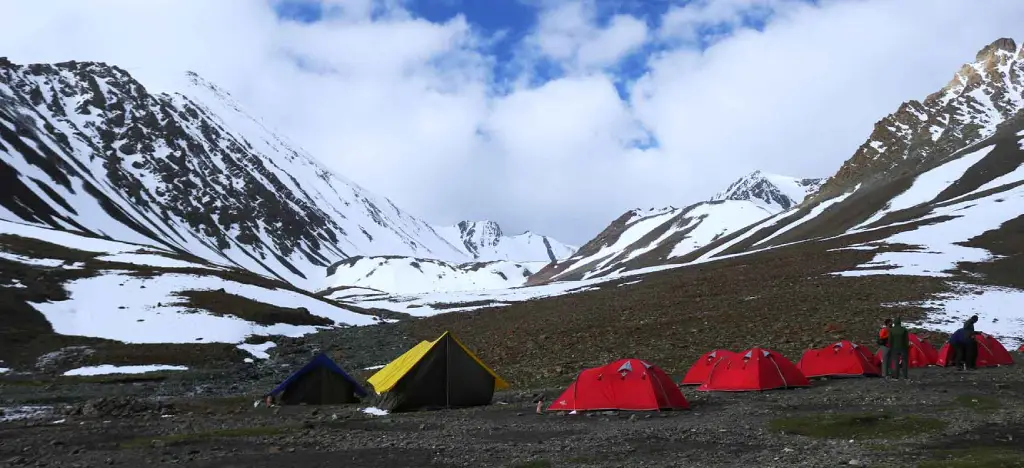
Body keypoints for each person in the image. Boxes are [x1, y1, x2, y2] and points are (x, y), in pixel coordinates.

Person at [885, 317, 911, 382]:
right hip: (903, 348)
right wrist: (907, 347)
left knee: (896, 362)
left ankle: (896, 377)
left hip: (894, 348)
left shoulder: (892, 330)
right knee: (904, 362)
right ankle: (905, 377)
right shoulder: (904, 330)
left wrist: (890, 347)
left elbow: (890, 340)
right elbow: (906, 340)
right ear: (900, 322)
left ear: (894, 322)